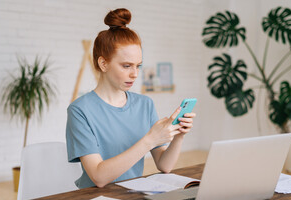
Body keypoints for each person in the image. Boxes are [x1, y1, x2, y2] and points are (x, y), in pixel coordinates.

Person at [66, 8, 196, 190]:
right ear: (103, 63)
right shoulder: (80, 110)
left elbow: (164, 165)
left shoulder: (145, 104)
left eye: (138, 66)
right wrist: (150, 140)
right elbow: (98, 177)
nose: (134, 74)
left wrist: (178, 135)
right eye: (126, 66)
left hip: (132, 196)